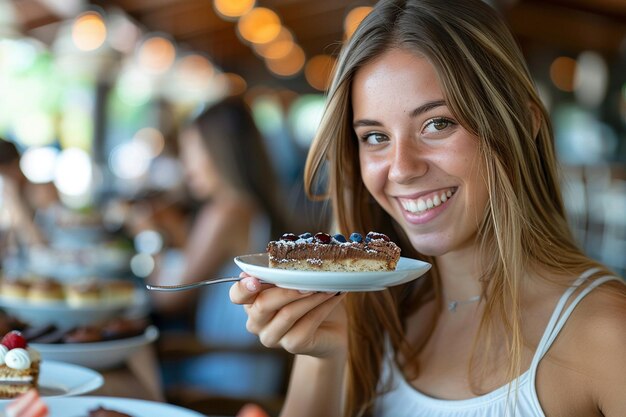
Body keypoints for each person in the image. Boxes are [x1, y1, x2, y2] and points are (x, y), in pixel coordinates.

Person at [229, 1, 626, 416]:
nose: (401, 169)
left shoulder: (605, 334)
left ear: (522, 126)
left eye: (437, 124)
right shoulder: (370, 314)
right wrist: (325, 356)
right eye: (375, 136)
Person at [145, 96, 293, 408]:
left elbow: (167, 296)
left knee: (133, 364)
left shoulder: (226, 212)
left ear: (217, 152)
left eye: (192, 151)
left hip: (223, 373)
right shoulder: (251, 208)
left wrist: (150, 235)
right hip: (250, 367)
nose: (187, 165)